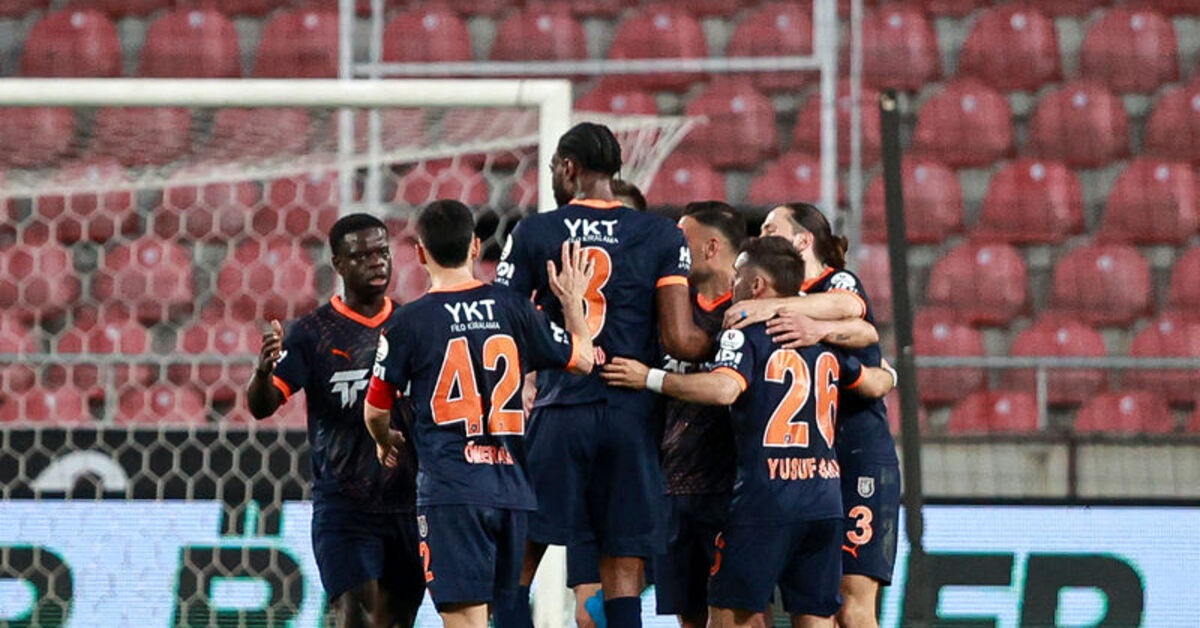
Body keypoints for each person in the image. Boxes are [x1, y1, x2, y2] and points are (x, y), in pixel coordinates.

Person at [601, 236, 897, 628]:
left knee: (729, 617)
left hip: (766, 500)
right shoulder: (819, 337)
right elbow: (874, 376)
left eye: (738, 275)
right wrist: (891, 374)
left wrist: (650, 378)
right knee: (816, 618)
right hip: (824, 502)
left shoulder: (744, 332)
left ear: (756, 285)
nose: (732, 283)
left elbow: (724, 389)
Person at [494, 122, 713, 628]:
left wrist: (553, 342)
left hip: (562, 410)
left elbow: (503, 324)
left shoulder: (536, 232)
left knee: (519, 558)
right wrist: (727, 339)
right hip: (631, 415)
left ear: (569, 167)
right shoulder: (661, 234)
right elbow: (680, 340)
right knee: (622, 565)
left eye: (553, 167)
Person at [364, 200, 595, 628]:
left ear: (420, 252)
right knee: (492, 617)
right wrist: (574, 303)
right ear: (474, 246)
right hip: (511, 492)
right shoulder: (515, 308)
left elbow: (375, 409)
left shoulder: (406, 323)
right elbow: (583, 360)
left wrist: (384, 440)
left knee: (465, 620)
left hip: (452, 490)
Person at [246, 213, 424, 628]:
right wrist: (262, 372)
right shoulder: (312, 333)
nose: (376, 262)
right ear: (338, 264)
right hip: (345, 506)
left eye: (382, 252)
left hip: (408, 502)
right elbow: (262, 406)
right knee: (355, 616)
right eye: (362, 256)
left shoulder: (412, 326)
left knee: (397, 622)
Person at [729, 204, 901, 628]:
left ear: (803, 240)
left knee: (852, 604)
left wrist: (780, 311)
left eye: (771, 228)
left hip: (857, 452)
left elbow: (855, 313)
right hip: (809, 465)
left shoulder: (835, 282)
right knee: (813, 605)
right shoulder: (772, 302)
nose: (761, 236)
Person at [652, 201, 745, 628]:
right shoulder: (667, 308)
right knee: (689, 617)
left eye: (682, 241)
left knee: (743, 616)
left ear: (711, 247)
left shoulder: (752, 312)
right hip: (673, 486)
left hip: (734, 488)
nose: (674, 252)